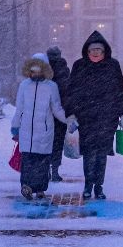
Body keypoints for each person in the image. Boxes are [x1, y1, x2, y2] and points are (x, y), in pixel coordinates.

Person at [65, 31, 123, 200]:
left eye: (98, 49)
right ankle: (88, 185)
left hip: (107, 118)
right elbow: (71, 91)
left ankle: (98, 186)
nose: (95, 52)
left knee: (101, 154)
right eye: (92, 49)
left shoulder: (112, 65)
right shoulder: (80, 66)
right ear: (87, 51)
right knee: (88, 153)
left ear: (104, 51)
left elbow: (120, 90)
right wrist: (71, 113)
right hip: (86, 117)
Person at [11, 53, 77, 200]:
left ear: (45, 70)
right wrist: (15, 125)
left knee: (42, 162)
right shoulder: (24, 86)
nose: (35, 73)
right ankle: (26, 186)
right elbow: (19, 108)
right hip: (26, 131)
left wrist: (69, 119)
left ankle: (40, 189)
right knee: (27, 161)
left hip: (44, 131)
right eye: (33, 70)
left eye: (38, 70)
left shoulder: (51, 87)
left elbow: (56, 108)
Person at [46, 46, 71, 182]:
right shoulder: (64, 69)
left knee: (45, 143)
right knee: (57, 142)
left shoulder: (43, 70)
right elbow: (68, 91)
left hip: (44, 112)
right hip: (61, 112)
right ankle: (55, 170)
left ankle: (45, 170)